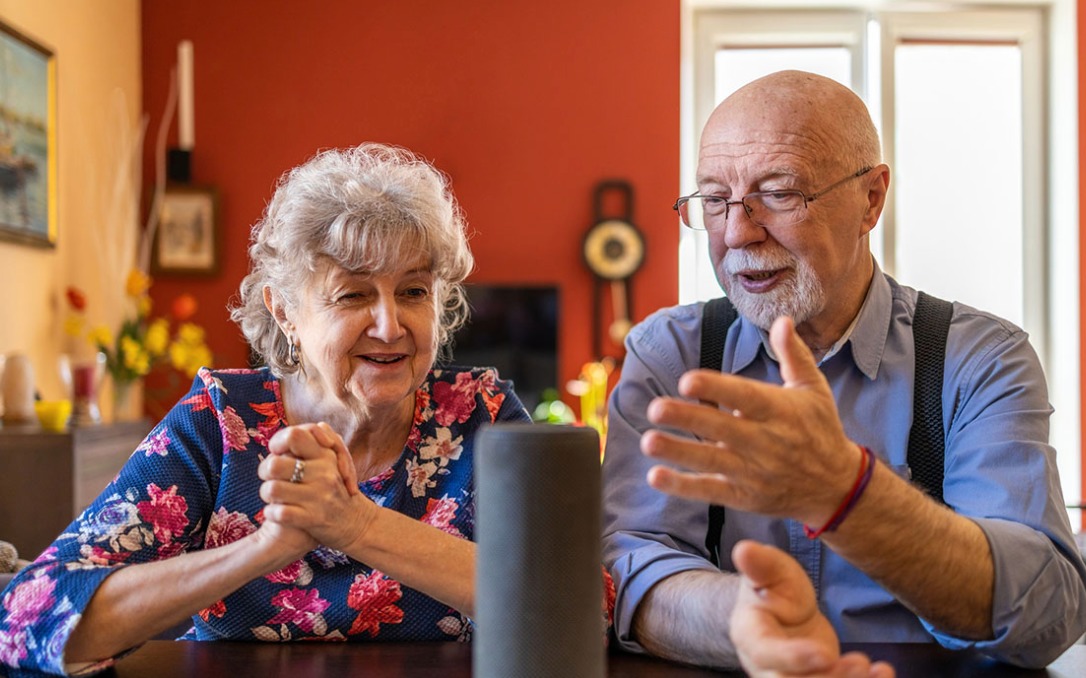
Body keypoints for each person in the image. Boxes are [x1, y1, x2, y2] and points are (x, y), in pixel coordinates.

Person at [601, 70, 1086, 675]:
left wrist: (848, 494)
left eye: (777, 193)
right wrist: (746, 623)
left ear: (871, 199)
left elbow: (1045, 614)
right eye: (714, 199)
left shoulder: (980, 358)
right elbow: (628, 562)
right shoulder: (670, 355)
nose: (736, 232)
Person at [0, 143, 531, 675]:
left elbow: (578, 601)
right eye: (352, 296)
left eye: (413, 291)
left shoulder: (481, 415)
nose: (390, 326)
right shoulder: (222, 421)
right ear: (285, 312)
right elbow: (27, 620)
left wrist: (354, 525)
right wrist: (264, 548)